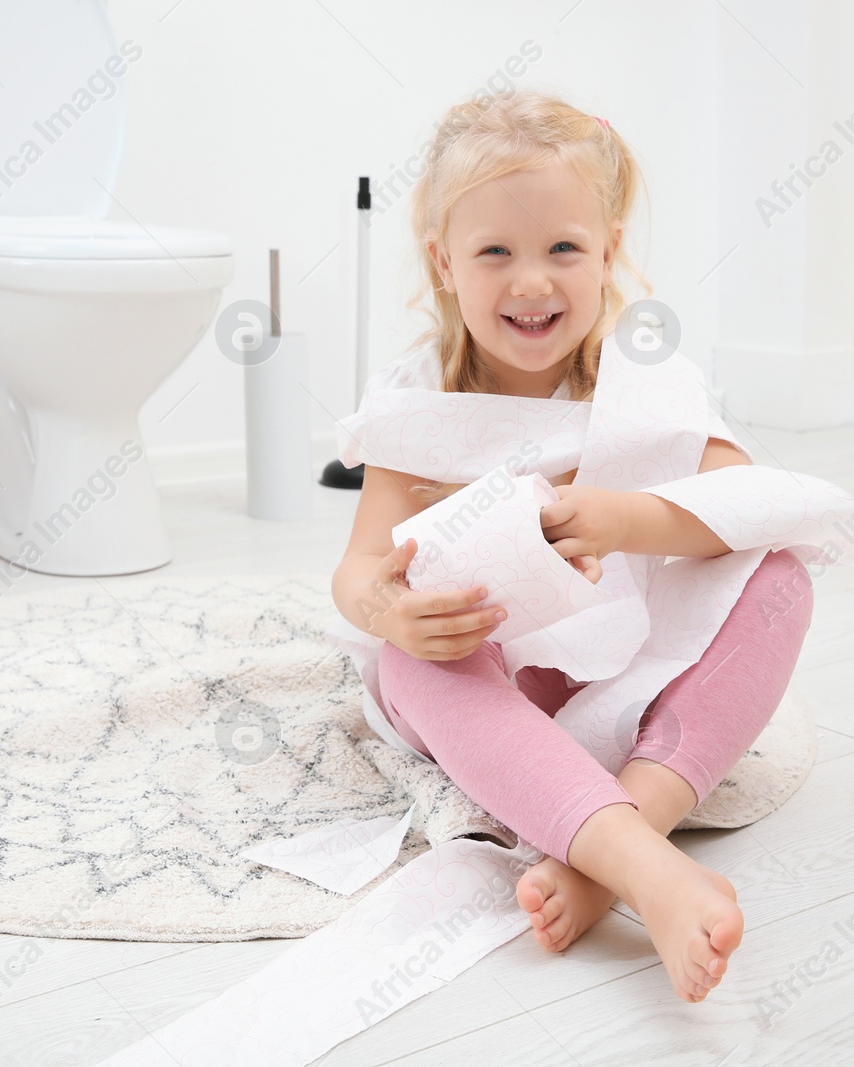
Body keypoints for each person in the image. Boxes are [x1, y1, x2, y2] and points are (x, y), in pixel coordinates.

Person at [328, 90, 818, 1004]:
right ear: (443, 262)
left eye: (562, 248)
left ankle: (609, 855)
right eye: (494, 252)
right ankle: (648, 864)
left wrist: (629, 519)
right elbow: (356, 571)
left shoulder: (645, 381)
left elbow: (750, 504)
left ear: (608, 250)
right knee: (409, 668)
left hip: (620, 667)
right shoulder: (419, 401)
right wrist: (390, 611)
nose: (531, 283)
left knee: (781, 579)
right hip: (493, 675)